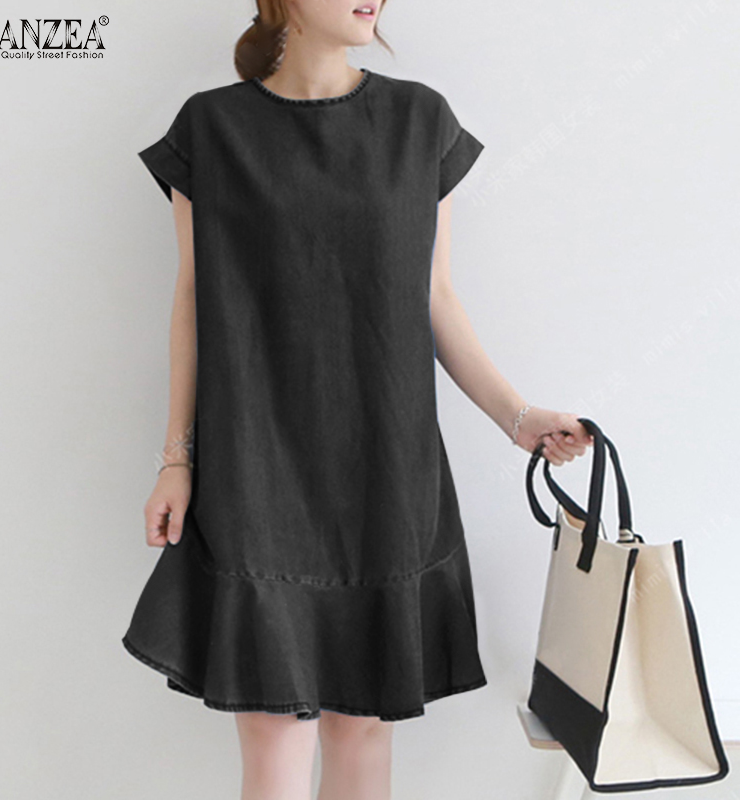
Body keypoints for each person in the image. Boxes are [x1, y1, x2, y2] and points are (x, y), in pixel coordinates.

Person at [123, 1, 594, 798]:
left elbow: (434, 298)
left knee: (361, 733)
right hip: (255, 469)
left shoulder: (420, 122)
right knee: (274, 738)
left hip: (385, 470)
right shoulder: (212, 128)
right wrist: (177, 459)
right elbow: (194, 300)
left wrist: (517, 417)